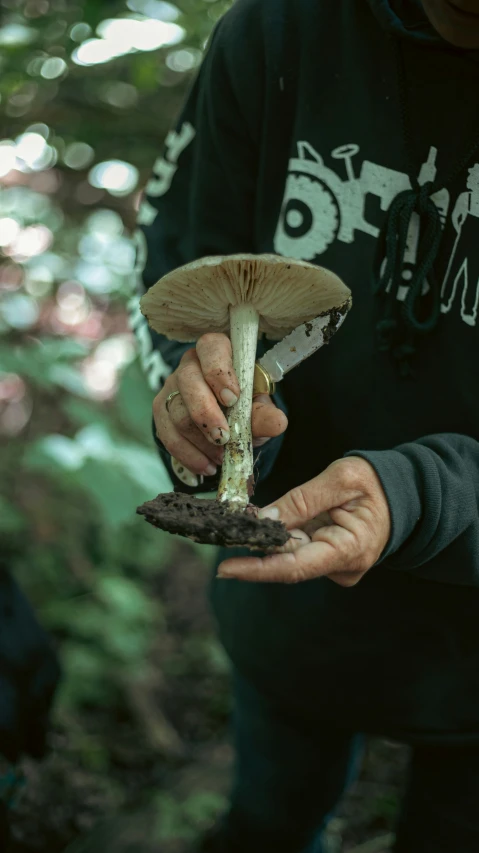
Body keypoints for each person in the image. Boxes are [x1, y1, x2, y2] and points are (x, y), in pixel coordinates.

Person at [132, 1, 479, 851]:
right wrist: (204, 410)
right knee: (266, 821)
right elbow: (182, 268)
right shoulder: (276, 33)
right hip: (288, 605)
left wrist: (422, 494)